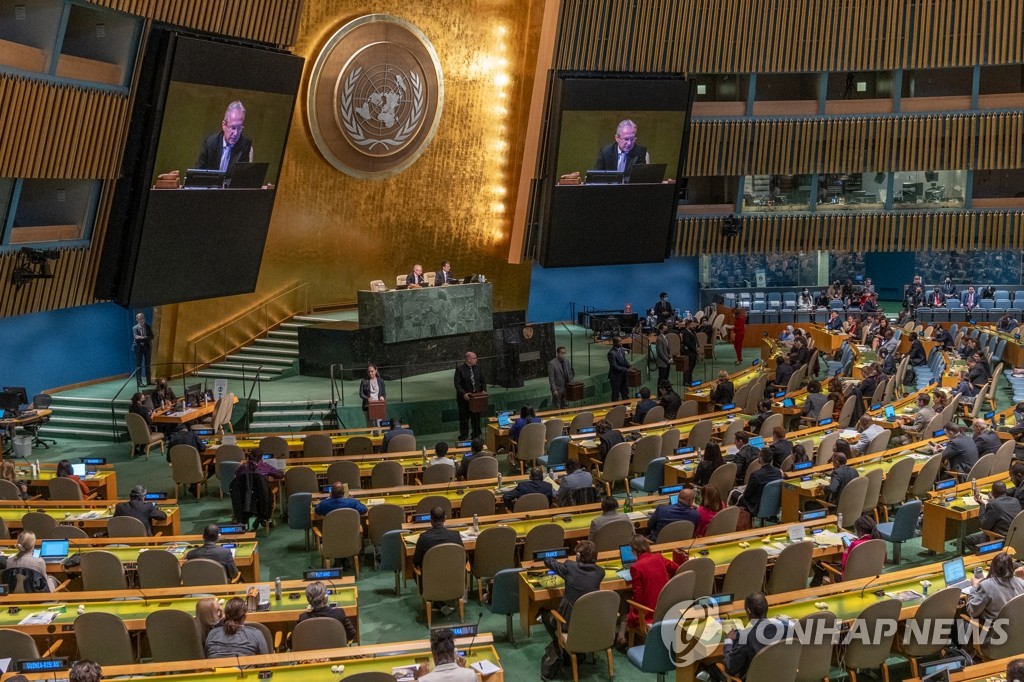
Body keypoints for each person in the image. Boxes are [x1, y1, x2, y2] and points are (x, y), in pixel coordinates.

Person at [540, 540, 604, 654]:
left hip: (567, 624)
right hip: (590, 622)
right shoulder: (600, 572)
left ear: (578, 556)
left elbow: (549, 562)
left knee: (544, 614)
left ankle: (560, 645)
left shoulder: (570, 567)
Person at [619, 534, 679, 645]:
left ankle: (622, 636)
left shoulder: (636, 567)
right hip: (664, 607)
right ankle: (622, 635)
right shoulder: (659, 557)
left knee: (625, 598)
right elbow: (676, 568)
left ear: (634, 550)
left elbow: (638, 597)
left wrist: (632, 603)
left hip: (648, 613)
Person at [721, 592, 790, 680]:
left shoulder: (745, 637)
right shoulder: (786, 630)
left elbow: (730, 668)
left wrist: (728, 641)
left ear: (749, 611)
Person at [966, 551, 1024, 623]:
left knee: (962, 618)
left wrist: (974, 587)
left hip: (991, 630)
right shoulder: (1021, 582)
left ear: (993, 567)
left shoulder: (985, 586)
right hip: (1015, 627)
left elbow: (972, 611)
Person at [966, 482, 1021, 551]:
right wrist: (993, 501)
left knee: (967, 540)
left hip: (1000, 540)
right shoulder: (1015, 501)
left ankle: (983, 557)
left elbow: (983, 525)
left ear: (993, 493)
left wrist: (982, 505)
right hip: (1016, 538)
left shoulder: (993, 505)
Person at [454, 351, 486, 440]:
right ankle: (464, 435)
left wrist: (483, 390)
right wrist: (464, 394)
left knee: (476, 417)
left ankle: (476, 434)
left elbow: (483, 381)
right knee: (464, 418)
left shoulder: (478, 368)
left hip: (476, 398)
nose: (476, 359)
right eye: (474, 358)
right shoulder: (460, 369)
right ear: (468, 359)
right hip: (464, 399)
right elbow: (457, 384)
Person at [738, 450, 782, 515]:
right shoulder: (778, 472)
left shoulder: (755, 475)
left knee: (734, 494)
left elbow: (747, 495)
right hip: (774, 504)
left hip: (756, 506)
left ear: (761, 458)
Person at [132, 312, 154, 388]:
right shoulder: (134, 328)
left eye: (143, 318)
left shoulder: (148, 326)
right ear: (137, 319)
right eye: (140, 319)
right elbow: (136, 339)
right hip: (138, 348)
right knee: (139, 366)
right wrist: (145, 337)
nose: (142, 320)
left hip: (147, 347)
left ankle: (149, 381)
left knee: (148, 365)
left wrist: (142, 337)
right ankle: (139, 382)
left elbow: (151, 337)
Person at [607, 336, 631, 402]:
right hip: (615, 377)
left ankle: (626, 407)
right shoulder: (611, 353)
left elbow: (624, 360)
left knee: (625, 392)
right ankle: (615, 409)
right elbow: (614, 366)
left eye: (621, 341)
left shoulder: (622, 350)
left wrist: (629, 366)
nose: (621, 343)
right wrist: (626, 369)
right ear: (614, 343)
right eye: (619, 341)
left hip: (623, 376)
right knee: (615, 394)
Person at [678, 318, 699, 385]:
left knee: (691, 367)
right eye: (692, 324)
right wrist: (695, 349)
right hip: (688, 352)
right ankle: (685, 381)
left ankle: (690, 380)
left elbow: (696, 340)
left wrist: (698, 347)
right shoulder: (685, 333)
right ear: (687, 325)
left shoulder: (693, 332)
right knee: (687, 368)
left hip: (694, 352)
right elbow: (687, 343)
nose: (694, 326)